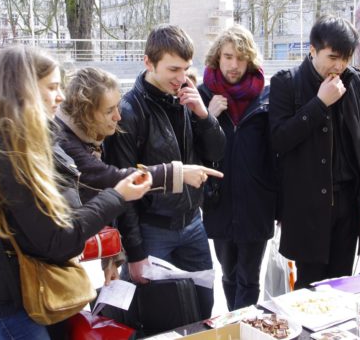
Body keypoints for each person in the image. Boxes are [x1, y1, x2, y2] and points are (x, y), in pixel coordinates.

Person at [0, 46, 152, 339]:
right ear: (23, 90)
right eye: (52, 87)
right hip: (2, 306)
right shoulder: (9, 151)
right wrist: (116, 197)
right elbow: (57, 239)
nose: (61, 96)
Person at [56, 67, 223, 284]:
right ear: (85, 111)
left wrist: (111, 257)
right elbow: (111, 179)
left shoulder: (91, 135)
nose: (118, 116)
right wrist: (177, 172)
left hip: (190, 221)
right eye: (109, 111)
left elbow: (104, 198)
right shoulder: (65, 142)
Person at [104, 24, 226, 318]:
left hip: (192, 224)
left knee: (202, 308)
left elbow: (218, 153)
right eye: (173, 69)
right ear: (148, 62)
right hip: (152, 230)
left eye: (185, 69)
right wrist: (134, 253)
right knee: (159, 315)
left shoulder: (186, 98)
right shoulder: (129, 111)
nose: (181, 78)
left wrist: (204, 116)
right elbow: (123, 189)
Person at [269, 15, 360, 289]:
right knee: (309, 287)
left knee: (342, 284)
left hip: (348, 200)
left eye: (345, 57)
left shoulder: (356, 81)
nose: (339, 65)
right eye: (332, 57)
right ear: (312, 49)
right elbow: (279, 140)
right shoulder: (287, 82)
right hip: (307, 206)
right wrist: (319, 103)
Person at [198, 25, 278, 310]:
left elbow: (275, 153)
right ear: (217, 58)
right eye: (228, 57)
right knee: (229, 273)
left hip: (257, 203)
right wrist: (208, 116)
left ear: (250, 60)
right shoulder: (202, 95)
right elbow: (192, 148)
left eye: (240, 58)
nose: (234, 65)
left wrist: (278, 204)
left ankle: (245, 326)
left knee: (249, 277)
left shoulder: (265, 97)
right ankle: (235, 323)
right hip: (219, 200)